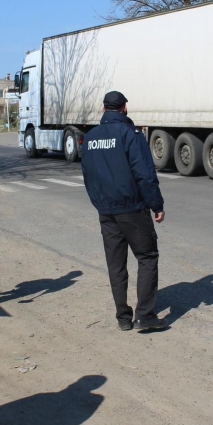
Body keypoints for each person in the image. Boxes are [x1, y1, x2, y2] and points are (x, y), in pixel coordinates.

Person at [81, 91, 167, 331]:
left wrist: (99, 203)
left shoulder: (91, 137)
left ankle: (123, 318)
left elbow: (87, 175)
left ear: (103, 109)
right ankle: (145, 315)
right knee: (147, 257)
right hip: (132, 209)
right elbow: (145, 174)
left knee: (116, 264)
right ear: (124, 108)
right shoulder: (130, 134)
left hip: (106, 211)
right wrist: (156, 205)